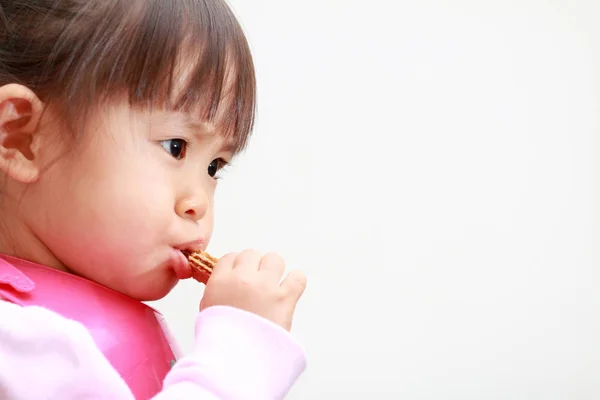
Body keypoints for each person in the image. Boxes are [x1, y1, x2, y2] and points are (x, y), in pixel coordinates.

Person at [0, 0, 307, 399]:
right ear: (22, 138)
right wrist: (240, 355)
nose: (197, 202)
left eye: (214, 167)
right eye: (175, 146)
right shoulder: (19, 347)